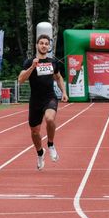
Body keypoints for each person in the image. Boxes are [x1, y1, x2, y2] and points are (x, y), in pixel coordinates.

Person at [18, 34, 68, 171]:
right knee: (35, 132)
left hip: (49, 97)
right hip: (35, 100)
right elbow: (20, 79)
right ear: (37, 45)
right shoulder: (29, 62)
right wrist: (32, 67)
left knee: (50, 118)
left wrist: (63, 92)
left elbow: (58, 77)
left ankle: (51, 144)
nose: (44, 45)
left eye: (46, 43)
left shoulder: (53, 62)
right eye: (41, 43)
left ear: (49, 47)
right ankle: (40, 153)